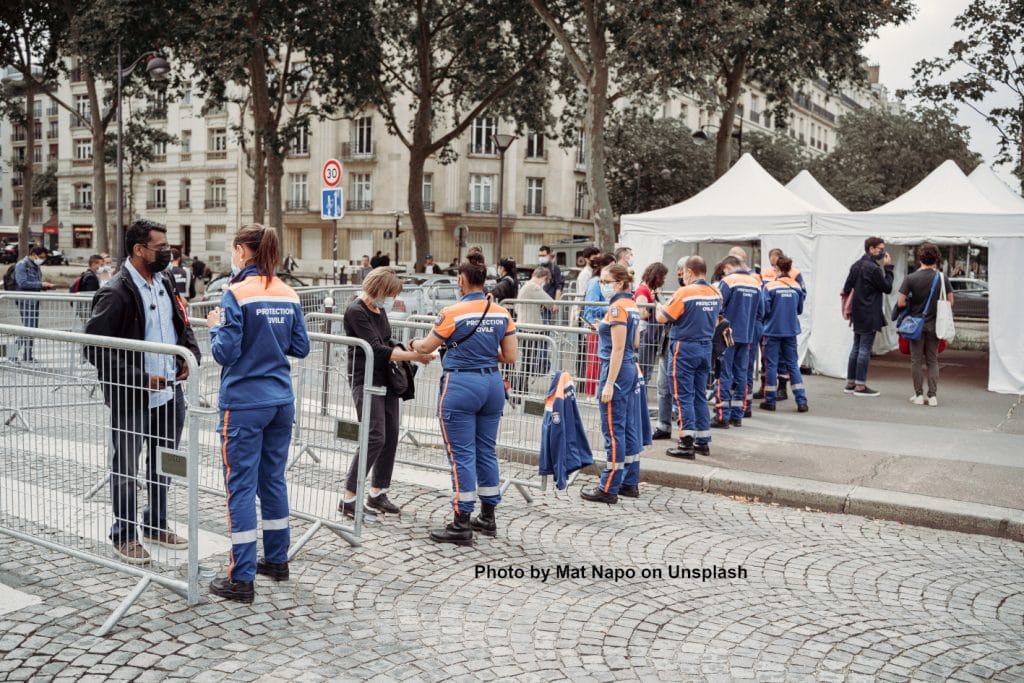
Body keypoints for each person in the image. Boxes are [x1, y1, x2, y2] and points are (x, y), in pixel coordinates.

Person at [205, 223, 310, 603]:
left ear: (243, 252)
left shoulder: (235, 293)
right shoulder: (289, 292)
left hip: (245, 402)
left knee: (241, 487)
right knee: (273, 480)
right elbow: (301, 346)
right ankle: (277, 560)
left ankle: (241, 576)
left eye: (235, 249)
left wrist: (215, 327)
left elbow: (225, 353)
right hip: (281, 399)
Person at [85, 219, 199, 565]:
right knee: (126, 466)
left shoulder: (164, 280)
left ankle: (156, 523)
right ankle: (124, 534)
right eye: (160, 247)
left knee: (163, 463)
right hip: (132, 395)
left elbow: (183, 323)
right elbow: (95, 347)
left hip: (169, 394)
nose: (168, 252)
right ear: (139, 250)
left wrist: (189, 355)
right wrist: (139, 377)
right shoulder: (116, 292)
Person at [409, 254, 517, 544]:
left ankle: (461, 522)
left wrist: (413, 343)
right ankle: (488, 516)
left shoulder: (452, 312)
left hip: (461, 384)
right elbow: (510, 356)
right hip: (492, 384)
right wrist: (483, 354)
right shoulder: (501, 313)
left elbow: (427, 346)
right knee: (486, 450)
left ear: (462, 280)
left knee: (461, 454)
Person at [340, 267, 433, 518]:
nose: (390, 299)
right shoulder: (356, 310)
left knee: (390, 435)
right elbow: (377, 348)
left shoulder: (378, 309)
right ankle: (349, 497)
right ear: (379, 289)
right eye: (389, 293)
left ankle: (378, 493)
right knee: (375, 435)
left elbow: (388, 340)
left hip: (387, 378)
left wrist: (412, 348)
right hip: (365, 377)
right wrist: (415, 355)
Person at [580, 264, 642, 503]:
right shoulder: (631, 305)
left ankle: (609, 486)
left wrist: (608, 383)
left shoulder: (617, 308)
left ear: (618, 283)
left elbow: (617, 348)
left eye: (605, 281)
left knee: (613, 428)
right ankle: (629, 481)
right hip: (627, 367)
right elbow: (634, 342)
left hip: (615, 369)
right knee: (627, 427)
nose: (601, 285)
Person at [656, 255, 721, 459]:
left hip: (684, 348)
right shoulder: (715, 292)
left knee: (683, 395)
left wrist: (660, 307)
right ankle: (703, 441)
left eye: (683, 272)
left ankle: (686, 443)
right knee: (699, 394)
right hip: (705, 347)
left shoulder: (684, 292)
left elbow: (661, 318)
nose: (682, 276)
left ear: (690, 272)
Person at [897, 243, 953, 407]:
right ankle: (933, 396)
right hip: (935, 324)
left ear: (919, 258)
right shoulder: (942, 278)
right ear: (936, 259)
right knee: (932, 360)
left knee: (916, 360)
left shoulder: (911, 278)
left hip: (916, 325)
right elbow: (950, 301)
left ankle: (919, 395)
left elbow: (901, 302)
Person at [713, 255, 762, 428]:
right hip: (747, 334)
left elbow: (718, 306)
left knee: (723, 374)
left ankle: (721, 415)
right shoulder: (756, 283)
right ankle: (737, 415)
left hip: (728, 335)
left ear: (728, 266)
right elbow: (761, 310)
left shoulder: (728, 281)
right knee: (741, 374)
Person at [842, 236, 894, 396]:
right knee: (864, 348)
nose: (883, 252)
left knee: (856, 347)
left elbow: (846, 287)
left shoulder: (856, 266)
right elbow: (887, 287)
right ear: (871, 249)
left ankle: (851, 383)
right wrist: (889, 268)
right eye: (880, 249)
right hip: (870, 311)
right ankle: (860, 386)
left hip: (857, 312)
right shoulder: (873, 268)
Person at [759, 256, 809, 413]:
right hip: (791, 330)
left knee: (771, 365)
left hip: (772, 330)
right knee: (792, 365)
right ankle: (801, 401)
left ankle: (770, 400)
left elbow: (764, 310)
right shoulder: (797, 286)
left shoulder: (770, 287)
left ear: (777, 269)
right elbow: (799, 310)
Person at [514, 266, 554, 395]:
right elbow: (551, 303)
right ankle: (520, 389)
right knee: (528, 360)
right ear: (543, 277)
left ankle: (520, 388)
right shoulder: (534, 287)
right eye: (545, 281)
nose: (544, 284)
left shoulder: (525, 286)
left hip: (523, 325)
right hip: (531, 328)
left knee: (526, 359)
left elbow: (516, 308)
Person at [14, 246, 56, 361]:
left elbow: (34, 282)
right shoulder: (22, 265)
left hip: (34, 299)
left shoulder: (36, 266)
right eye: (40, 257)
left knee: (32, 328)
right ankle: (11, 354)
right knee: (28, 327)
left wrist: (44, 286)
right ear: (33, 254)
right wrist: (41, 284)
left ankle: (27, 355)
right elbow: (22, 283)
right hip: (25, 300)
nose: (42, 259)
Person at [581, 253, 614, 394]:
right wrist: (611, 307)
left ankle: (598, 390)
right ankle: (590, 392)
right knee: (594, 360)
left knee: (601, 359)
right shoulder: (595, 282)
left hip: (604, 324)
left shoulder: (606, 282)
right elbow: (592, 305)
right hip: (594, 325)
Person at [634, 262, 667, 383]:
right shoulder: (642, 291)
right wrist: (656, 308)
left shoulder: (648, 290)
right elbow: (641, 314)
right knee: (644, 373)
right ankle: (640, 400)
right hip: (645, 334)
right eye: (663, 276)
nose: (664, 279)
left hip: (648, 334)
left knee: (645, 372)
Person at [537, 245, 563, 321]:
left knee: (546, 327)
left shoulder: (555, 268)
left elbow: (558, 287)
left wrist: (556, 303)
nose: (541, 257)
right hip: (538, 303)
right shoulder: (538, 268)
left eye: (543, 255)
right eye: (540, 255)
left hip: (548, 303)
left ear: (549, 255)